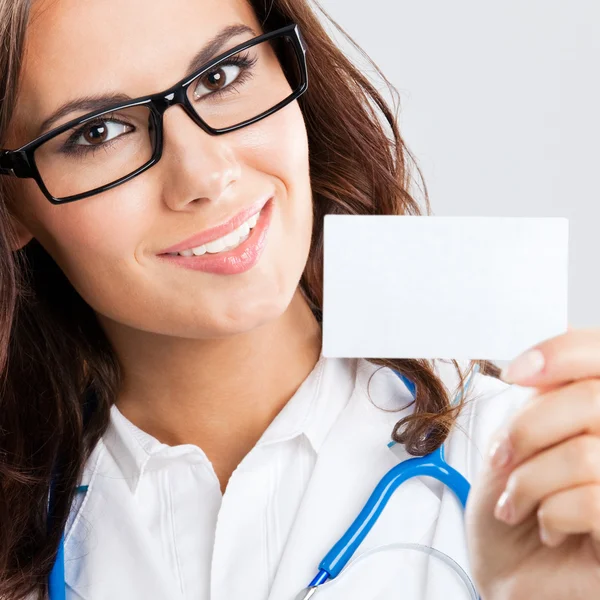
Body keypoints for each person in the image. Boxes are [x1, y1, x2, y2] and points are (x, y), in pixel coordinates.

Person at [1, 0, 600, 598]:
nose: (206, 177)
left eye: (221, 74)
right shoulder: (18, 535)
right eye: (96, 132)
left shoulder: (541, 476)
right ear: (10, 205)